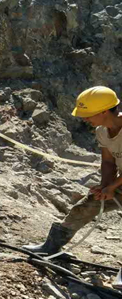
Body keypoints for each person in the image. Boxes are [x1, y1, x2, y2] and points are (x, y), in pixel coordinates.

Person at [24, 86, 122, 254]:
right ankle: (51, 248)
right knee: (89, 204)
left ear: (104, 111)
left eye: (88, 114)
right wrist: (104, 186)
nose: (84, 118)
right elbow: (108, 162)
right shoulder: (101, 131)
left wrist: (112, 188)